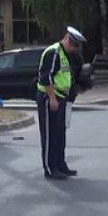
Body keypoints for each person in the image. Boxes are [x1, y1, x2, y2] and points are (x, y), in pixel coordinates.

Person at [36, 26, 86, 180]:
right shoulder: (54, 52)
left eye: (75, 46)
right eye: (73, 45)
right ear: (67, 39)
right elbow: (46, 77)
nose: (74, 49)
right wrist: (52, 98)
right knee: (50, 135)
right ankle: (50, 168)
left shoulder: (65, 54)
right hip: (49, 98)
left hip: (61, 98)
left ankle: (60, 165)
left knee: (59, 134)